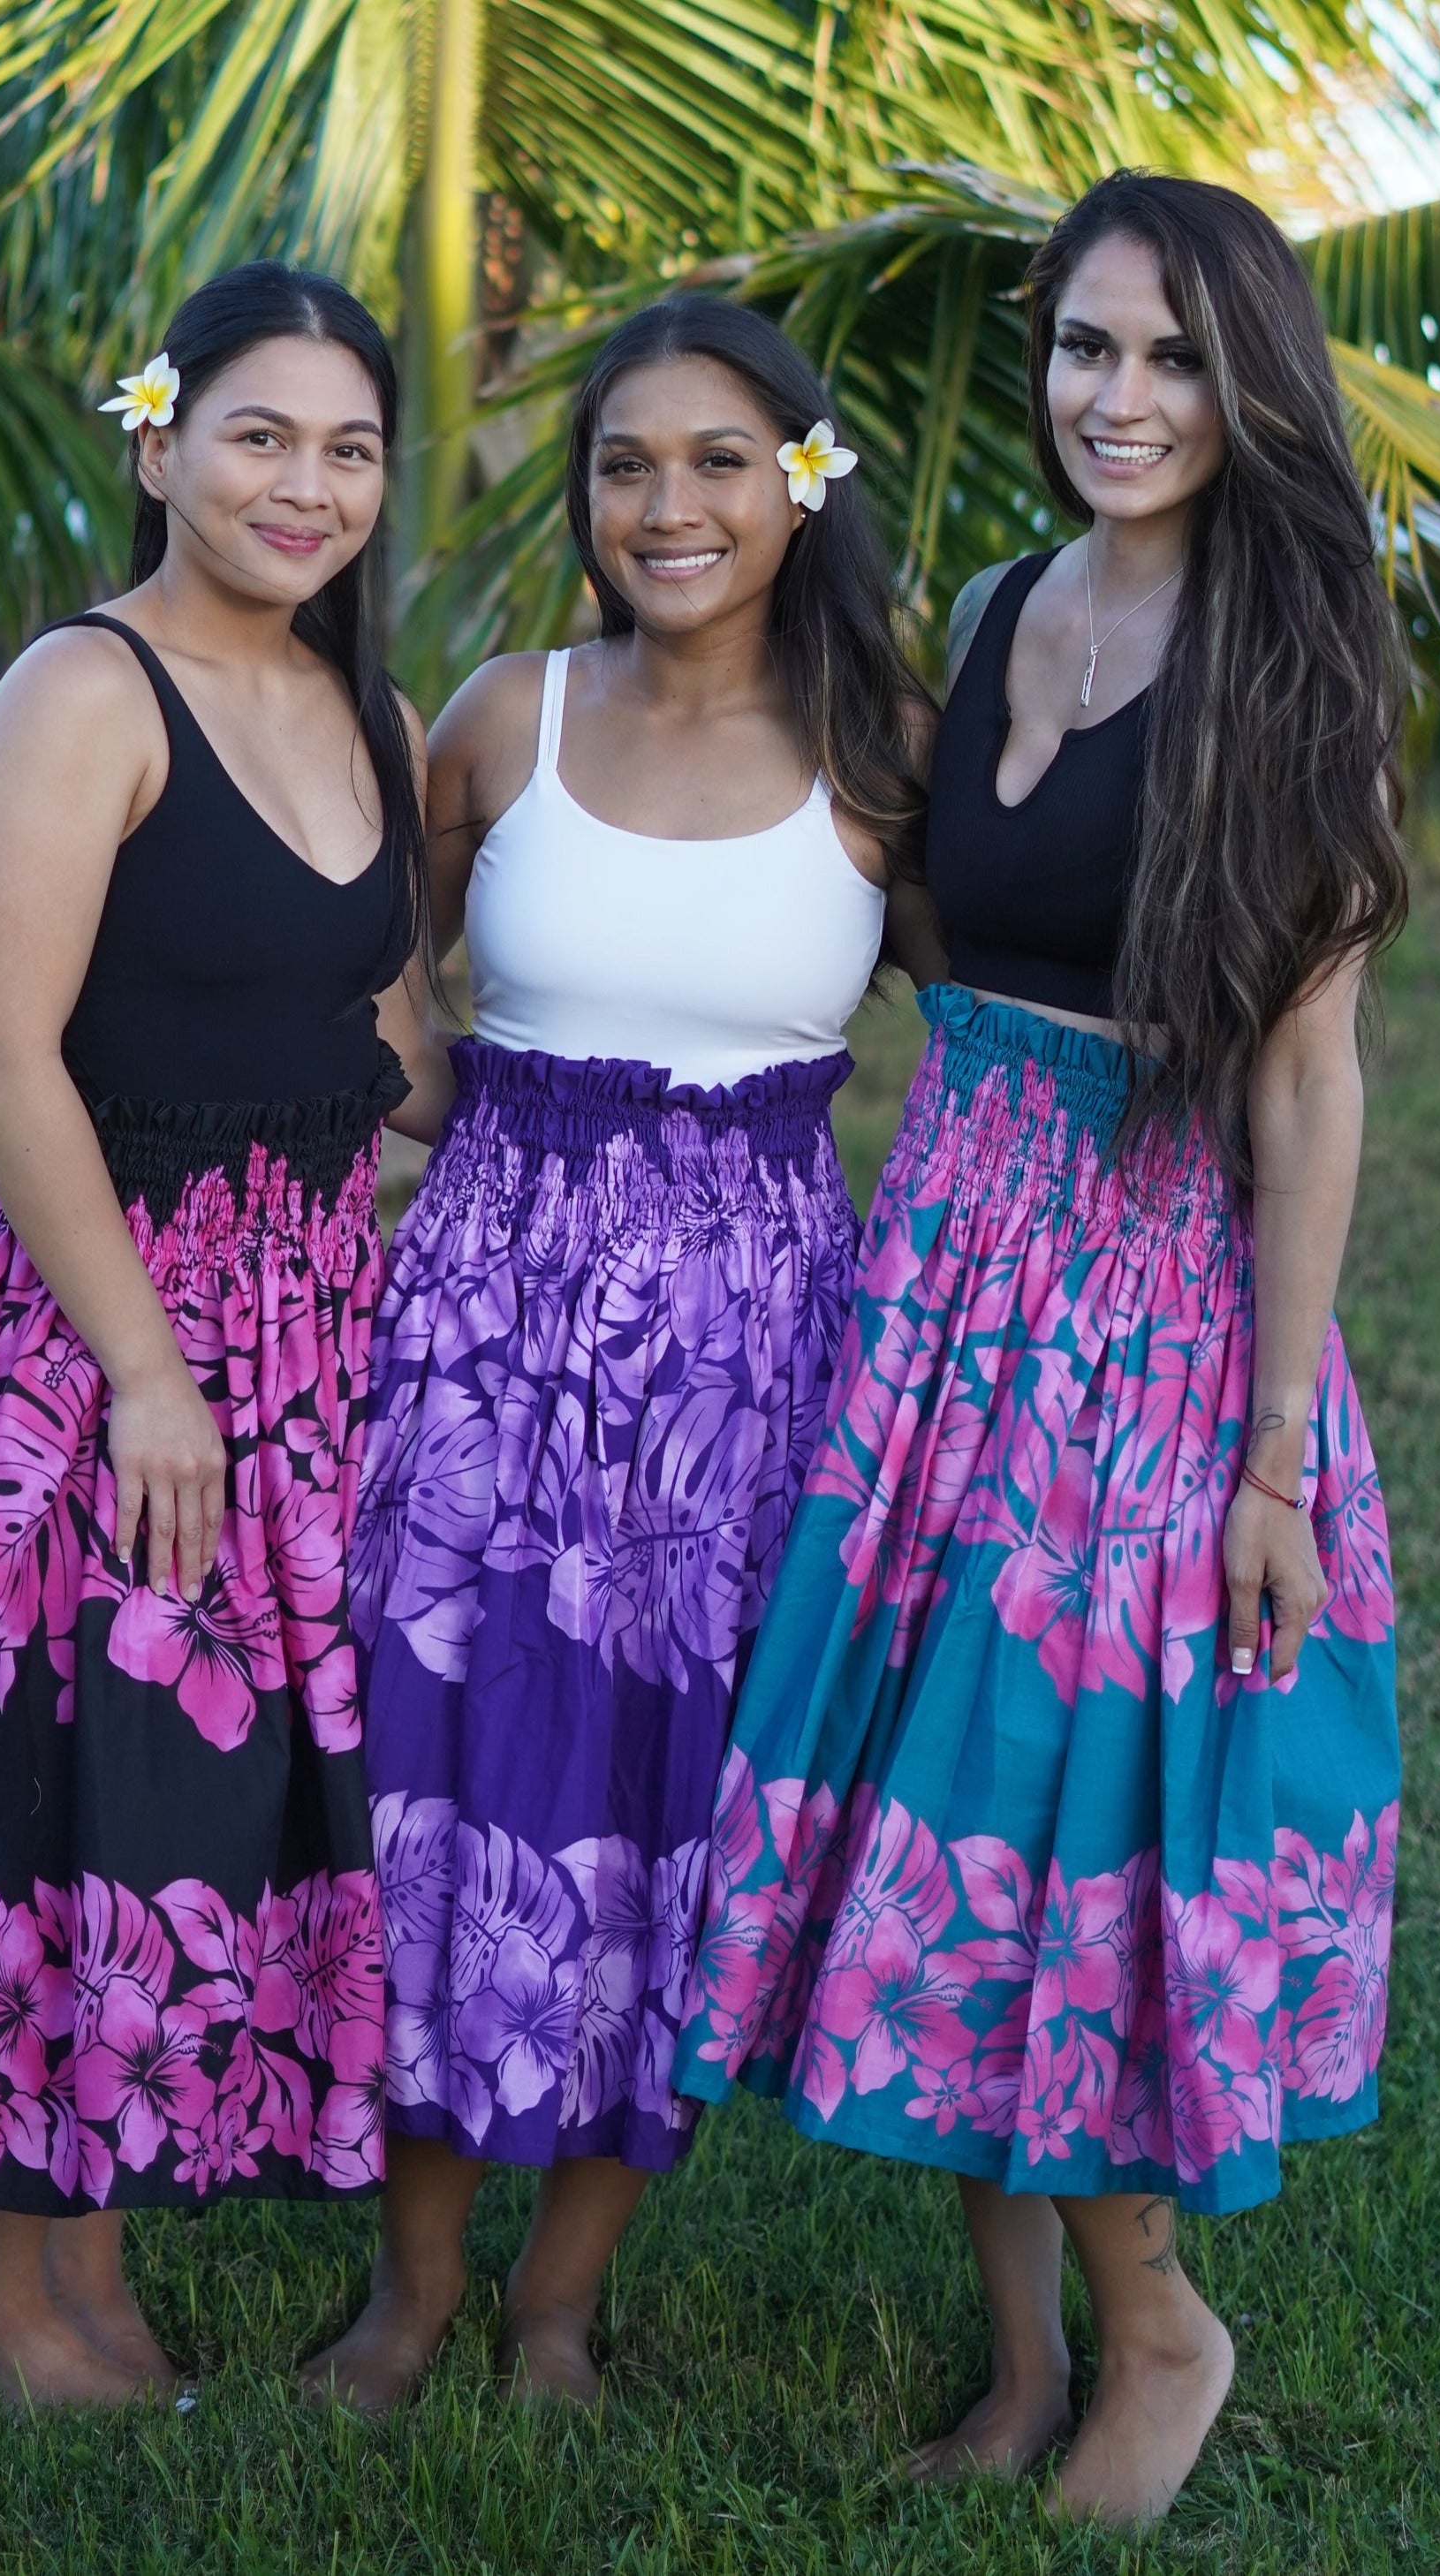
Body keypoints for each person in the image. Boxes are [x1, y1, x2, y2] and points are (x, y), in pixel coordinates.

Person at [669, 172, 1408, 2525]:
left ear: (1247, 383)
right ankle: (1011, 2362)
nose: (1118, 398)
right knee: (933, 1807)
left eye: (1172, 358)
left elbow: (1304, 1081)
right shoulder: (1000, 608)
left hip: (1150, 1311)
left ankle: (1157, 2325)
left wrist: (1271, 1451)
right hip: (939, 1281)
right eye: (1086, 349)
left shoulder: (1287, 656)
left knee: (1060, 1819)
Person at [0, 262, 448, 2410]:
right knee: (55, 1771)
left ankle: (95, 2244)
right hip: (93, 1328)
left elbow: (386, 1035)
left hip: (305, 1319)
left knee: (192, 1791)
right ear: (157, 444)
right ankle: (9, 2279)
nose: (303, 486)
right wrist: (150, 1372)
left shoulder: (378, 716)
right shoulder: (86, 689)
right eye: (258, 434)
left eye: (349, 448)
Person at [299, 298, 941, 2413]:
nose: (667, 507)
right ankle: (409, 2293)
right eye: (625, 465)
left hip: (748, 1352)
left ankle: (559, 2304)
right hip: (480, 1319)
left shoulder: (881, 762)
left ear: (802, 482)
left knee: (670, 1811)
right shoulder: (503, 713)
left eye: (719, 462)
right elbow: (373, 958)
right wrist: (408, 1093)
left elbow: (1020, 1011)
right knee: (437, 1784)